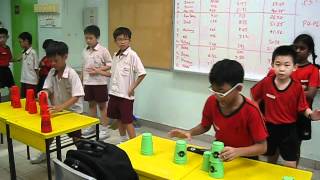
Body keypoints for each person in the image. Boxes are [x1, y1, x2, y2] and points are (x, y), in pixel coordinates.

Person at [169, 59, 268, 161]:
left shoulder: (251, 111)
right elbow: (205, 125)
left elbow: (262, 147)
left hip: (246, 158)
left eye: (221, 93)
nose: (217, 96)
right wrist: (189, 132)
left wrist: (237, 151)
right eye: (213, 90)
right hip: (220, 151)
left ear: (238, 88)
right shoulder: (212, 101)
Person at [251, 45, 320, 168]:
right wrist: (258, 114)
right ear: (272, 65)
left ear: (294, 67)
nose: (281, 69)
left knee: (290, 163)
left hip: (289, 130)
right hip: (269, 128)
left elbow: (303, 108)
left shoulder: (297, 87)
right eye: (278, 64)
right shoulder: (266, 82)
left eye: (286, 65)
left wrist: (311, 115)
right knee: (269, 161)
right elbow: (254, 96)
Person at [31, 41, 85, 164]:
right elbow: (47, 88)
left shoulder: (72, 74)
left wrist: (60, 107)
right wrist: (43, 93)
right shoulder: (51, 72)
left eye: (56, 60)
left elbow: (76, 96)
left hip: (72, 113)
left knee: (76, 138)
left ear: (65, 57)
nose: (53, 64)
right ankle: (45, 152)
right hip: (57, 111)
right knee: (49, 134)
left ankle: (84, 158)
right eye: (50, 61)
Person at [107, 27, 146, 142]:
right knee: (118, 119)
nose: (122, 42)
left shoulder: (132, 55)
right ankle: (123, 140)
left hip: (125, 96)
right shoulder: (115, 55)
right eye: (119, 39)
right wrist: (99, 72)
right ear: (115, 41)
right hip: (114, 93)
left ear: (129, 40)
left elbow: (142, 73)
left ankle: (133, 142)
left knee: (127, 120)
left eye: (125, 39)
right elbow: (112, 73)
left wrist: (132, 87)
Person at [81, 25, 112, 139]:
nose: (88, 40)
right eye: (86, 38)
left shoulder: (103, 50)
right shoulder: (84, 50)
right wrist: (81, 80)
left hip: (100, 83)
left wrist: (98, 70)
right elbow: (83, 66)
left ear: (97, 37)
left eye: (90, 38)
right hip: (88, 83)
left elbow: (110, 65)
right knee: (91, 105)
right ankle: (92, 127)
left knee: (102, 106)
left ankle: (105, 129)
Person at [18, 32, 38, 97]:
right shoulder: (23, 52)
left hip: (31, 81)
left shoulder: (33, 53)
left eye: (20, 42)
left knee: (31, 99)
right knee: (23, 99)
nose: (20, 44)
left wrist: (38, 79)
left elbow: (36, 68)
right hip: (24, 80)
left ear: (26, 41)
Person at [0, 28, 15, 102]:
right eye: (0, 37)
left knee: (12, 87)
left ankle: (12, 102)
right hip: (0, 70)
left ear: (7, 37)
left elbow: (10, 59)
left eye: (4, 37)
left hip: (6, 69)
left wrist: (19, 59)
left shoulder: (7, 48)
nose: (2, 39)